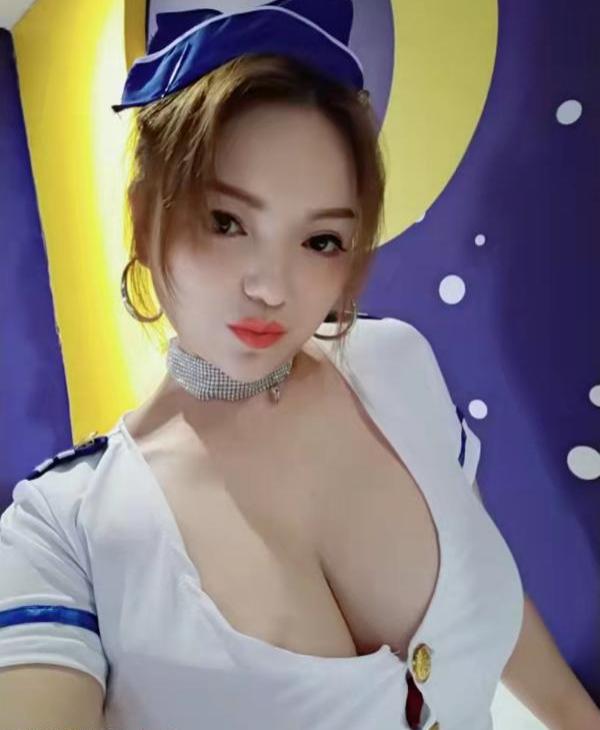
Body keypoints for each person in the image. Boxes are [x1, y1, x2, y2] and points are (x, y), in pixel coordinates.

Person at [0, 3, 526, 729]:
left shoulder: (396, 365)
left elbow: (476, 569)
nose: (272, 288)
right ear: (144, 220)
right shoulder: (63, 530)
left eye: (320, 241)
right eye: (227, 222)